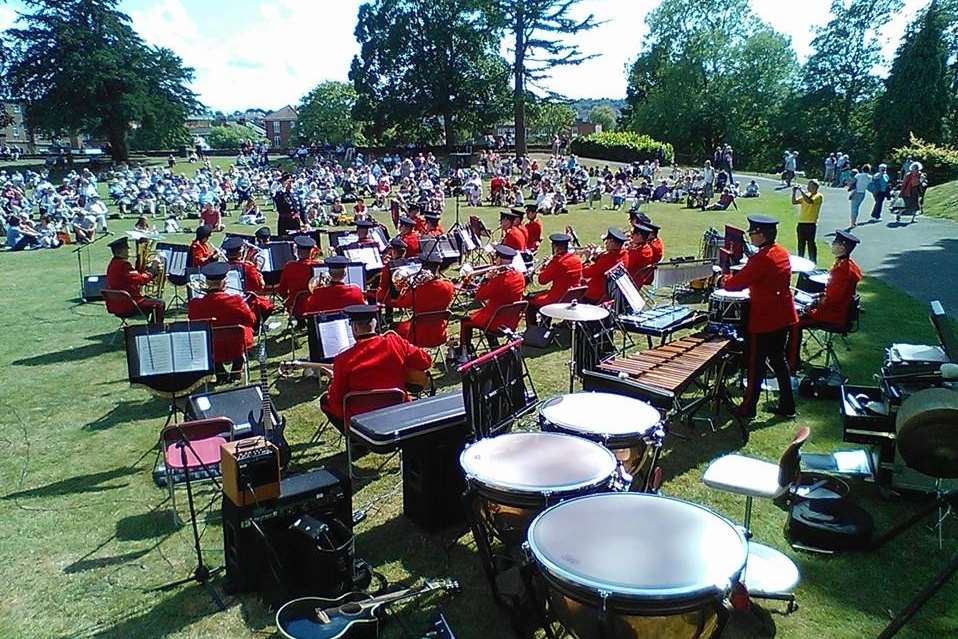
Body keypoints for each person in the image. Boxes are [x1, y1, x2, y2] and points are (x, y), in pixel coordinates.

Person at [721, 215, 797, 420]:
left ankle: (748, 408)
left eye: (752, 232)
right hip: (784, 316)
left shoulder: (762, 258)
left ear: (761, 234)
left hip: (765, 319)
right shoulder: (781, 252)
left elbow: (734, 285)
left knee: (756, 365)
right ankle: (788, 405)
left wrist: (723, 277)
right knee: (779, 361)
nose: (750, 235)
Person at [320, 304, 432, 434]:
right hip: (397, 411)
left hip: (361, 420)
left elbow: (336, 398)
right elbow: (426, 362)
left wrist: (333, 382)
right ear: (375, 323)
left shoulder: (343, 358)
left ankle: (357, 442)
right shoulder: (395, 342)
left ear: (355, 328)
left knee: (325, 401)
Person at [788, 230, 862, 370]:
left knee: (794, 322)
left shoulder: (842, 270)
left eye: (835, 243)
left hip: (834, 315)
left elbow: (832, 300)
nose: (833, 245)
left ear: (842, 247)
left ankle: (792, 363)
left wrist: (812, 306)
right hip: (839, 310)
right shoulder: (848, 264)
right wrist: (818, 296)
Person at [187, 262, 257, 378]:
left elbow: (194, 325)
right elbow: (251, 320)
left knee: (210, 335)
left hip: (210, 347)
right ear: (224, 282)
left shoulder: (195, 304)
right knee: (245, 329)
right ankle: (236, 368)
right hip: (236, 345)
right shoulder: (236, 300)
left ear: (207, 282)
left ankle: (220, 371)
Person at [458, 244, 526, 357]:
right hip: (511, 319)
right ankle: (494, 346)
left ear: (500, 259)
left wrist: (486, 279)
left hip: (495, 319)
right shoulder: (519, 275)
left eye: (496, 257)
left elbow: (479, 296)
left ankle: (465, 353)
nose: (494, 259)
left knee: (465, 321)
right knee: (486, 316)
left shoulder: (499, 280)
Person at [390, 254, 456, 343]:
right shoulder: (449, 285)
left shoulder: (417, 290)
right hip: (439, 334)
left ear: (423, 268)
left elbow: (400, 303)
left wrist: (407, 288)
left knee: (393, 328)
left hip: (417, 335)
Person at [526, 233, 583, 326]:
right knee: (539, 295)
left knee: (530, 302)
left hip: (558, 298)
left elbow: (542, 280)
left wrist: (546, 265)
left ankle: (534, 330)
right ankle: (545, 326)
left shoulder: (558, 262)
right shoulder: (576, 258)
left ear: (555, 247)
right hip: (572, 295)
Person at [105, 236, 165, 324]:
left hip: (117, 303)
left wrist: (146, 269)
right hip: (128, 305)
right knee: (160, 304)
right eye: (127, 249)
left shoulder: (113, 264)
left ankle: (152, 327)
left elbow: (133, 277)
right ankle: (155, 330)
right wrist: (153, 267)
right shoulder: (123, 265)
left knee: (151, 300)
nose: (128, 252)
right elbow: (142, 280)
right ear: (121, 251)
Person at [222, 236, 275, 325]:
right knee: (268, 305)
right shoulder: (248, 267)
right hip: (246, 301)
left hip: (226, 300)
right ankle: (255, 326)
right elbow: (259, 286)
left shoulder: (221, 268)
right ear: (240, 252)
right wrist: (257, 271)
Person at [301, 256, 366, 315]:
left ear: (329, 273)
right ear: (345, 274)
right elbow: (362, 308)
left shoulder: (318, 293)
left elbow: (308, 309)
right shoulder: (356, 290)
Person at [582, 227, 629, 304]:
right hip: (610, 293)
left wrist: (586, 260)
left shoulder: (609, 258)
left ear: (612, 241)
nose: (606, 243)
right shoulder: (624, 254)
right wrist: (596, 257)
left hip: (596, 295)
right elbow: (601, 267)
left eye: (607, 241)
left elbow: (586, 273)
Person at [277, 235, 321, 317]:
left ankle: (300, 321)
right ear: (311, 251)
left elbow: (282, 290)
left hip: (295, 306)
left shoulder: (289, 266)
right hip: (315, 306)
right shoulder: (319, 266)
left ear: (297, 251)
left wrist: (289, 299)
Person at [792, 179, 823, 263]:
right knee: (800, 244)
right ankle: (800, 261)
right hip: (801, 223)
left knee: (811, 244)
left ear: (815, 187)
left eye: (810, 186)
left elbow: (809, 201)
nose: (808, 187)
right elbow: (794, 202)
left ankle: (813, 261)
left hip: (811, 224)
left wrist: (801, 190)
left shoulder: (818, 196)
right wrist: (794, 192)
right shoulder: (806, 195)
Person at [626, 223, 655, 288]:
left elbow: (625, 263)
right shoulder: (645, 247)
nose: (631, 236)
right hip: (635, 279)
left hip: (630, 281)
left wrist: (624, 249)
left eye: (633, 234)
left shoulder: (642, 252)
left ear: (640, 236)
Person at [849, 163, 871, 228]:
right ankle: (854, 221)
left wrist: (850, 187)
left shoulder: (858, 175)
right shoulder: (870, 177)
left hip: (856, 192)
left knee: (854, 208)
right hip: (862, 193)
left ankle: (853, 222)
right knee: (857, 207)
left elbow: (852, 182)